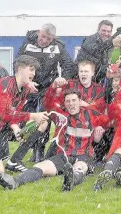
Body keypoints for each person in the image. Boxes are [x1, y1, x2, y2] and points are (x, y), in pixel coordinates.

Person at [0, 89, 109, 191]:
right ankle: (13, 181)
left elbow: (109, 121)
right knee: (41, 166)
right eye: (68, 101)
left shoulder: (91, 114)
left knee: (80, 166)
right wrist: (54, 88)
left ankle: (71, 181)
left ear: (80, 101)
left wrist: (99, 130)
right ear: (65, 103)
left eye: (74, 100)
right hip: (64, 155)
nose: (71, 104)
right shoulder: (60, 116)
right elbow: (48, 101)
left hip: (84, 155)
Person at [5, 60, 107, 172]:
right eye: (81, 71)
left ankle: (95, 160)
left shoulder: (99, 89)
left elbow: (99, 112)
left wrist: (85, 106)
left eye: (86, 71)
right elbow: (50, 102)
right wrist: (54, 86)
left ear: (92, 73)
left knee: (97, 132)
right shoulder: (70, 84)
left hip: (87, 130)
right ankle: (18, 156)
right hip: (65, 125)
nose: (83, 74)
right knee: (42, 120)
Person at [17, 23, 76, 162]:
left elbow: (68, 66)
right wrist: (26, 81)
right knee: (27, 120)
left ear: (53, 38)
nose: (44, 40)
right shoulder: (27, 43)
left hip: (47, 89)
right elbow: (18, 63)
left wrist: (63, 80)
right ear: (39, 32)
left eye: (48, 39)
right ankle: (28, 148)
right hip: (29, 87)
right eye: (43, 36)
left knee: (44, 119)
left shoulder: (58, 46)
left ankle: (39, 152)